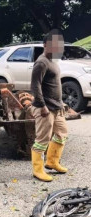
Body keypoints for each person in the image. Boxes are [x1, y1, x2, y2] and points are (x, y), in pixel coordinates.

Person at [30, 29, 68, 182]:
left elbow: (54, 85)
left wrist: (61, 103)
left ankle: (52, 162)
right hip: (45, 108)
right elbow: (35, 86)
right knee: (42, 139)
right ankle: (37, 170)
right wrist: (42, 106)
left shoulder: (53, 61)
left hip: (56, 107)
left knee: (62, 134)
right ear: (46, 45)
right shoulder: (41, 62)